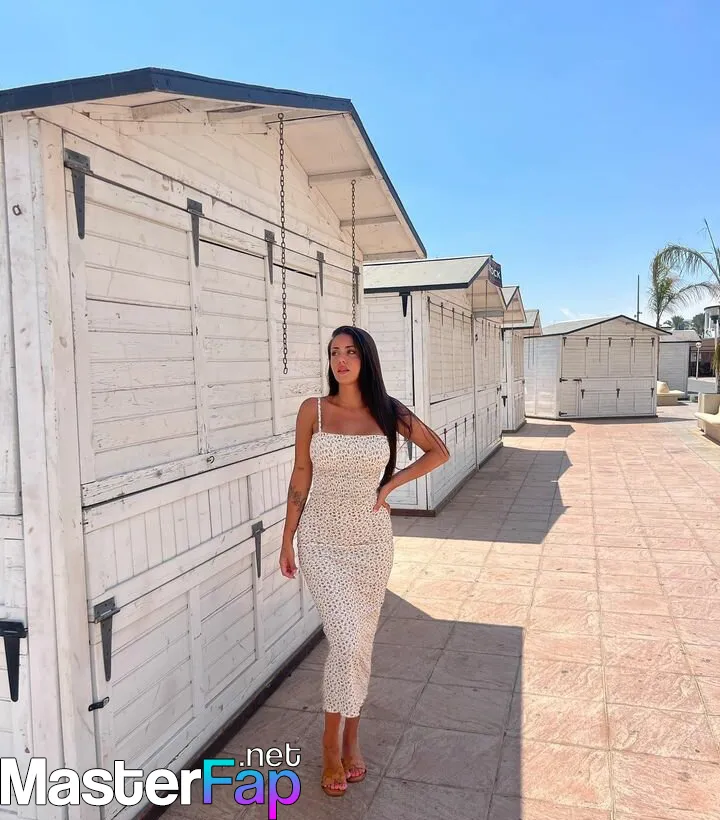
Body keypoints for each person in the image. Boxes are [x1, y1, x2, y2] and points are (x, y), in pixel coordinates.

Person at [279, 325, 450, 797]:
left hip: (371, 543)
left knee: (361, 644)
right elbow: (301, 472)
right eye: (334, 352)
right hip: (320, 540)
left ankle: (352, 739)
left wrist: (390, 485)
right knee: (347, 639)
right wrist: (287, 537)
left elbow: (439, 451)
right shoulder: (313, 410)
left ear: (366, 358)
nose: (341, 360)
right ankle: (329, 747)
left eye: (350, 352)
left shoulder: (388, 411)